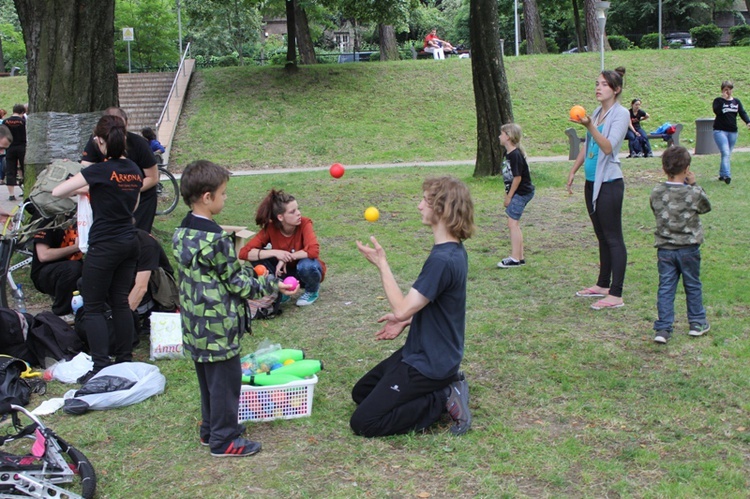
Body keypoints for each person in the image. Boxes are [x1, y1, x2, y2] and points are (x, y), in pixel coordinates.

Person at [173, 160, 292, 457]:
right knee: (226, 383)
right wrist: (272, 286)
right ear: (207, 197)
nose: (226, 199)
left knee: (208, 379)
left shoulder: (183, 232)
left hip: (195, 323)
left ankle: (210, 429)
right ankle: (224, 440)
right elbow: (238, 283)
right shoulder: (215, 240)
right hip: (217, 323)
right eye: (223, 194)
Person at [350, 176, 475, 437]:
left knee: (364, 422)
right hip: (423, 352)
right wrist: (408, 321)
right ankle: (439, 389)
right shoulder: (452, 251)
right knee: (361, 393)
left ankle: (443, 396)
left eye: (425, 201)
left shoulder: (443, 259)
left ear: (441, 209)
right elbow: (439, 305)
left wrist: (382, 265)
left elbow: (402, 308)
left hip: (430, 364)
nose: (419, 206)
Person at [52, 114, 143, 384]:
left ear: (99, 142)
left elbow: (58, 192)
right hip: (130, 242)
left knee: (92, 306)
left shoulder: (98, 170)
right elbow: (134, 206)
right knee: (120, 302)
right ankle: (125, 359)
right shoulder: (134, 169)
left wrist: (84, 189)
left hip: (104, 245)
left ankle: (102, 364)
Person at [566, 67, 629, 310]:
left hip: (610, 184)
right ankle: (603, 285)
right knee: (602, 236)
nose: (598, 88)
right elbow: (588, 145)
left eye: (603, 84)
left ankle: (616, 293)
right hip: (592, 183)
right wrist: (574, 170)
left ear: (616, 89)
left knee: (614, 238)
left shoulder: (620, 114)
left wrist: (590, 126)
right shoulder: (596, 113)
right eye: (597, 83)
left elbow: (608, 147)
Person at [650, 146, 711, 344]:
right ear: (687, 169)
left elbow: (655, 208)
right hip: (689, 249)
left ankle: (663, 328)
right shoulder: (693, 193)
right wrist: (695, 185)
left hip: (665, 249)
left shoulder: (657, 192)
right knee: (692, 285)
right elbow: (705, 207)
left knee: (666, 287)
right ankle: (697, 322)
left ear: (664, 168)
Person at [239, 189, 326, 307]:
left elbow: (313, 250)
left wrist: (285, 258)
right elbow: (244, 253)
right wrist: (275, 253)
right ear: (280, 217)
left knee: (307, 264)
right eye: (292, 211)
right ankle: (280, 288)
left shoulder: (305, 223)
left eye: (298, 209)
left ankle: (311, 291)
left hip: (304, 272)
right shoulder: (271, 228)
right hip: (282, 272)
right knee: (257, 256)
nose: (298, 213)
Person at [81, 107, 159, 232]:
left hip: (141, 198)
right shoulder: (95, 142)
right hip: (109, 200)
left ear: (127, 124)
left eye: (120, 128)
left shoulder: (139, 144)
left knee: (137, 236)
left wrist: (127, 189)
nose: (117, 133)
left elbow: (153, 177)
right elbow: (85, 168)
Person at [30, 222, 84, 324]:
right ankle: (61, 313)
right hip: (45, 272)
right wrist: (75, 247)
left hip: (75, 267)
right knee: (73, 267)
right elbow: (43, 255)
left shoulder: (84, 216)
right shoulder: (50, 218)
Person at [497, 123, 534, 268]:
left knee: (512, 224)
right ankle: (520, 257)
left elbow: (517, 178)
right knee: (514, 224)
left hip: (521, 192)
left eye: (501, 134)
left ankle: (515, 258)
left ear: (508, 136)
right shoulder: (509, 154)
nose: (499, 136)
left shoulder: (515, 155)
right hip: (518, 192)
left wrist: (509, 197)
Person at [712, 80, 750, 184]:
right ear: (722, 90)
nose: (728, 92)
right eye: (725, 90)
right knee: (725, 152)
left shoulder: (736, 102)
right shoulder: (718, 101)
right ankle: (727, 176)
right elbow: (716, 111)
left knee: (727, 154)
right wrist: (723, 100)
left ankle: (722, 174)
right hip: (720, 131)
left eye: (729, 89)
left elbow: (742, 112)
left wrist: (748, 122)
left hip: (733, 131)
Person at [3, 104, 27, 201]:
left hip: (10, 147)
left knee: (10, 170)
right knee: (24, 168)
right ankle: (24, 190)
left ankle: (11, 194)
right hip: (22, 147)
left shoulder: (5, 121)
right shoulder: (23, 121)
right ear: (22, 112)